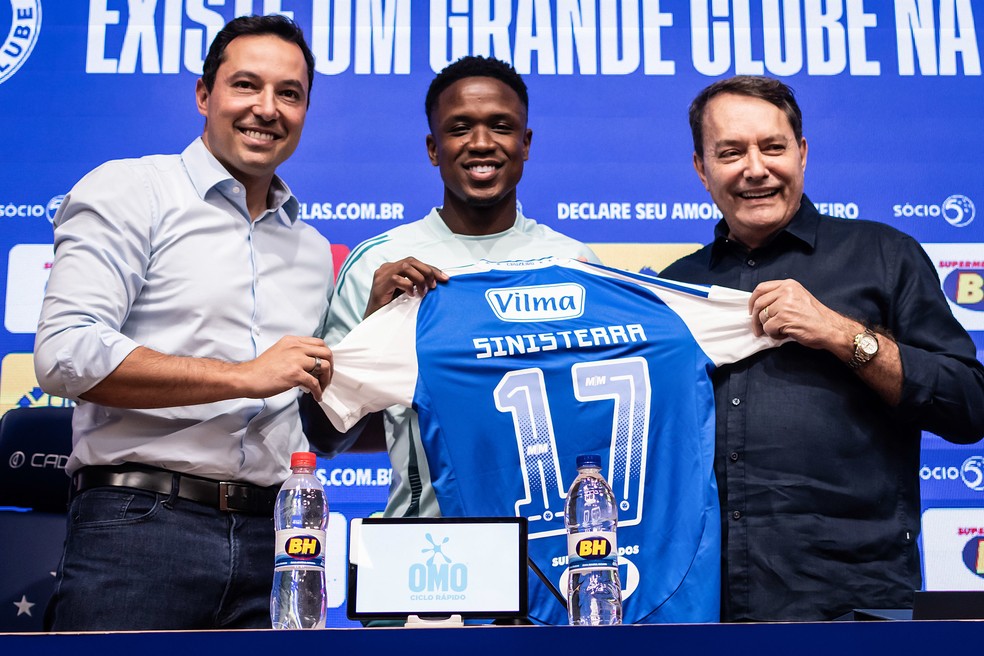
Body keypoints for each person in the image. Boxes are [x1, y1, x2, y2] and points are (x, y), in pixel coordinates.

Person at [34, 15, 335, 631]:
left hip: (277, 544)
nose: (267, 109)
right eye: (245, 85)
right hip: (139, 529)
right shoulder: (132, 190)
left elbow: (315, 412)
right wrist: (243, 377)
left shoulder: (312, 248)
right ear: (205, 95)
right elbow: (65, 353)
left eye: (289, 93)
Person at [661, 75, 984, 622]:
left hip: (858, 605)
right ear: (701, 168)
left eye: (773, 146)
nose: (755, 168)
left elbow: (969, 407)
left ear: (802, 153)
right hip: (708, 609)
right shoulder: (673, 290)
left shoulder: (885, 256)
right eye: (731, 152)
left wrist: (842, 335)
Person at [312, 56, 598, 521]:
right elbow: (326, 438)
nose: (481, 143)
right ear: (433, 147)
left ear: (525, 144)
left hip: (550, 547)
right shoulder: (378, 263)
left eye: (501, 127)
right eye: (460, 127)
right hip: (422, 548)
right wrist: (372, 326)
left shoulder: (576, 264)